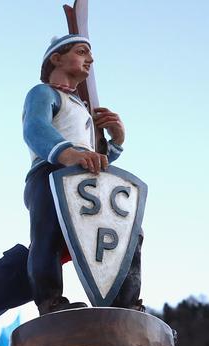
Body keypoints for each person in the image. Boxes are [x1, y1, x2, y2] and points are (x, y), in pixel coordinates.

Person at [22, 34, 139, 315]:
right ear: (56, 58)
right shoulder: (43, 93)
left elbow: (92, 157)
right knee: (48, 231)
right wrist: (67, 154)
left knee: (126, 234)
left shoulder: (82, 109)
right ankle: (49, 300)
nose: (91, 59)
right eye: (82, 51)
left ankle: (126, 304)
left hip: (84, 179)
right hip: (50, 172)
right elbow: (35, 129)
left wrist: (116, 143)